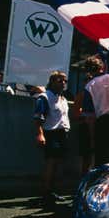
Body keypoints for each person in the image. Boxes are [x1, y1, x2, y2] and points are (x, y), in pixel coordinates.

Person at [33, 71, 70, 206]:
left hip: (62, 133)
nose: (63, 83)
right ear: (52, 81)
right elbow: (38, 118)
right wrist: (40, 134)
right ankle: (45, 192)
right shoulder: (44, 97)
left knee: (57, 164)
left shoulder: (63, 99)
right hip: (51, 133)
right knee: (50, 163)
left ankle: (52, 191)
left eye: (65, 81)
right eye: (60, 81)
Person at [72, 72, 93, 175]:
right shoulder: (81, 95)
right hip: (86, 128)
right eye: (88, 80)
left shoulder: (98, 95)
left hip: (97, 127)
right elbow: (76, 114)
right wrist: (86, 116)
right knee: (87, 155)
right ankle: (84, 177)